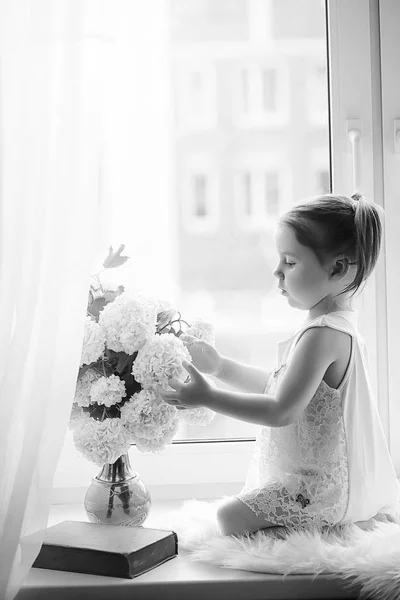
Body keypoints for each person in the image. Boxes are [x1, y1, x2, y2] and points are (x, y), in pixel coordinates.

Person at [158, 192, 400, 537]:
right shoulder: (334, 326)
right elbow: (278, 386)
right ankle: (339, 523)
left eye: (290, 261)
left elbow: (279, 410)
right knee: (238, 510)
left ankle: (330, 530)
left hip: (323, 491)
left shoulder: (322, 335)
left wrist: (208, 397)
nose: (277, 271)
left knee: (229, 517)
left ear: (337, 268)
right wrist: (221, 366)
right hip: (324, 481)